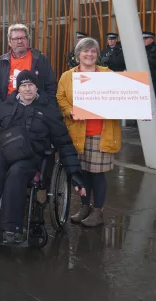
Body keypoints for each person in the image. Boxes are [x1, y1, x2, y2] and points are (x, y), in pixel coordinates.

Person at [0, 70, 84, 245]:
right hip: (4, 151)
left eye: (31, 85)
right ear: (17, 88)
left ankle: (11, 228)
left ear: (37, 87)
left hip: (31, 156)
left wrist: (74, 174)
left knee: (17, 172)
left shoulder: (49, 111)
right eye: (24, 85)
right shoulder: (5, 107)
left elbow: (64, 142)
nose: (28, 89)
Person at [57, 37, 122, 227]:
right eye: (85, 51)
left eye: (93, 51)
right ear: (78, 55)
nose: (90, 54)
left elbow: (122, 96)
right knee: (83, 172)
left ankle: (97, 212)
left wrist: (138, 109)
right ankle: (85, 207)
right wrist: (70, 111)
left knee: (97, 174)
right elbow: (60, 98)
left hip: (101, 132)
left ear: (97, 55)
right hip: (77, 132)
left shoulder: (107, 74)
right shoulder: (67, 76)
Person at [0, 23, 58, 111]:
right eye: (16, 39)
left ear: (27, 40)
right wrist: (1, 108)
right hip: (9, 110)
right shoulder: (2, 61)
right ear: (9, 42)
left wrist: (49, 108)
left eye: (22, 38)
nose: (20, 41)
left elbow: (51, 86)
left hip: (36, 110)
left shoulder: (40, 59)